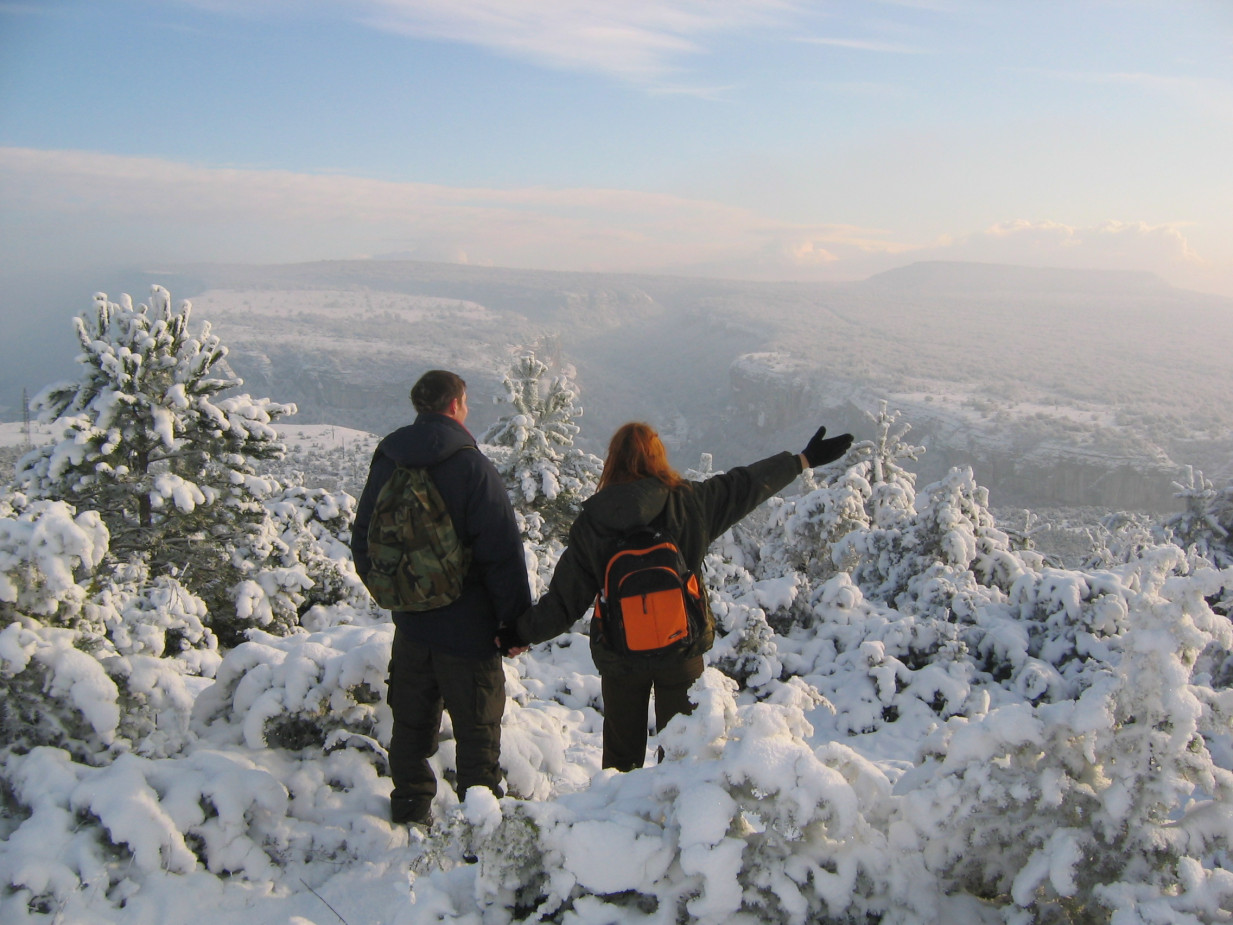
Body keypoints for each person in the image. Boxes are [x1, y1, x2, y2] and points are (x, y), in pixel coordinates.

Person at [498, 421, 853, 772]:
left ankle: (617, 821)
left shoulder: (594, 521)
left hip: (620, 654)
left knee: (621, 762)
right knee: (683, 755)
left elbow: (564, 602)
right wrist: (802, 460)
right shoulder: (689, 503)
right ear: (657, 457)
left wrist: (517, 635)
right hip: (681, 646)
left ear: (613, 461)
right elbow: (744, 485)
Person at [351, 370, 531, 826]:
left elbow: (363, 536)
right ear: (455, 405)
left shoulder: (389, 458)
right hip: (468, 633)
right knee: (477, 734)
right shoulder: (472, 466)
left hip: (411, 626)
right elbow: (502, 554)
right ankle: (479, 828)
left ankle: (410, 812)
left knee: (410, 728)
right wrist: (514, 625)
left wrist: (392, 592)